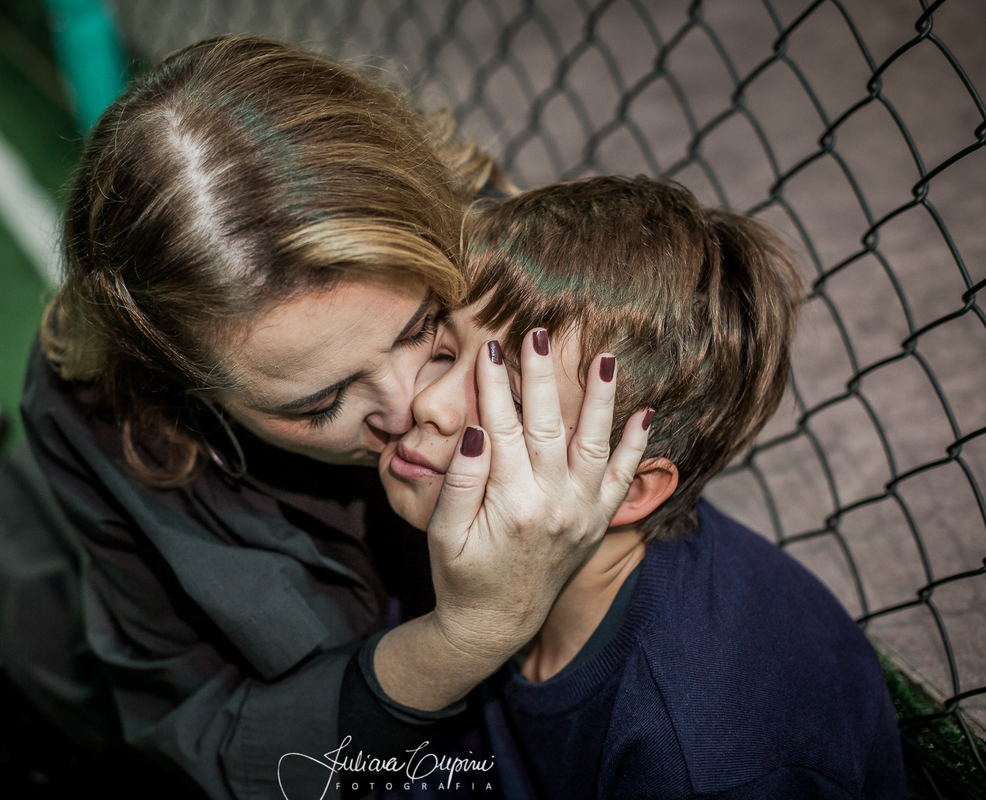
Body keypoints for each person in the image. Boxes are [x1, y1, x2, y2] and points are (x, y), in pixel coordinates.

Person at [0, 37, 654, 799]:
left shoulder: (506, 251)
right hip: (17, 640)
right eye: (319, 402)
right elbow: (218, 752)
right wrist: (465, 637)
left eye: (426, 327)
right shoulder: (102, 406)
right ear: (180, 388)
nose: (410, 407)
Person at [377, 177, 908, 798]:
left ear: (629, 489)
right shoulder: (425, 515)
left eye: (510, 401)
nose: (429, 403)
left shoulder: (703, 751)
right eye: (443, 350)